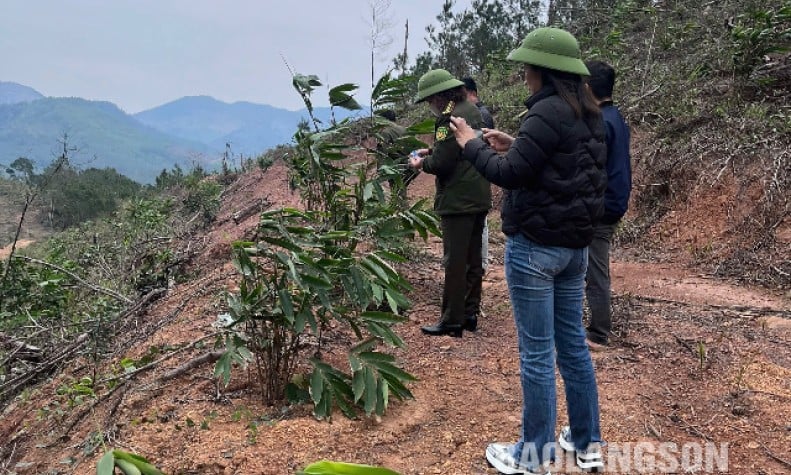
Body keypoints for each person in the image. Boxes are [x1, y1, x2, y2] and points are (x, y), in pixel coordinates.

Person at [449, 28, 606, 473]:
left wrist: (471, 143)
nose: (524, 76)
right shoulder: (588, 113)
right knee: (572, 346)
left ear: (544, 71)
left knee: (537, 354)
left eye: (527, 68)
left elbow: (510, 176)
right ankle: (586, 442)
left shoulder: (546, 113)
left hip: (535, 251)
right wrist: (517, 144)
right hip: (573, 251)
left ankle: (533, 455)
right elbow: (565, 167)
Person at [407, 69, 491, 337]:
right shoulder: (472, 109)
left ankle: (451, 320)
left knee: (455, 261)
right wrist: (433, 150)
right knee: (473, 259)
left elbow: (444, 163)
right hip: (478, 194)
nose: (430, 106)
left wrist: (423, 163)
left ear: (439, 96)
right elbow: (463, 149)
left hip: (458, 199)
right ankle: (470, 314)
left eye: (430, 100)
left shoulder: (448, 119)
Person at [583, 60, 632, 350]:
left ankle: (599, 332)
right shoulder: (616, 117)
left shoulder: (601, 123)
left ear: (587, 88)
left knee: (595, 269)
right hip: (613, 201)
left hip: (603, 206)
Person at [463, 77, 495, 274]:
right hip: (478, 173)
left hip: (478, 174)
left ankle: (481, 263)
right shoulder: (479, 113)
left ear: (471, 92)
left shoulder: (481, 115)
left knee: (480, 223)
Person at [374, 108, 419, 205]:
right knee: (400, 193)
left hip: (396, 169)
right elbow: (416, 147)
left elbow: (382, 152)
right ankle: (403, 213)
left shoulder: (384, 132)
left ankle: (403, 215)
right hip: (410, 167)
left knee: (398, 196)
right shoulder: (404, 129)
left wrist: (380, 172)